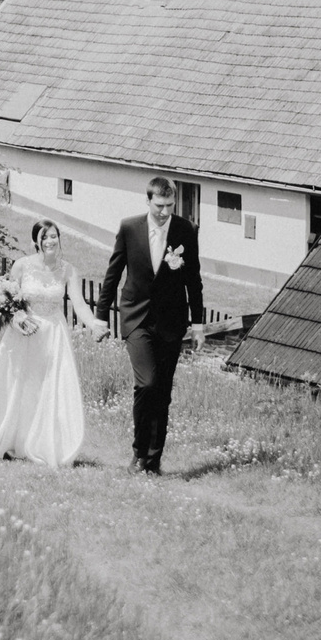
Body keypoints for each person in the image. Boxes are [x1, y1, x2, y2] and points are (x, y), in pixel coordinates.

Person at [0, 219, 98, 467]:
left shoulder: (68, 270)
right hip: (23, 333)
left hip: (53, 334)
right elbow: (6, 299)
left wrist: (94, 324)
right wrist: (16, 317)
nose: (50, 241)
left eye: (53, 236)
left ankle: (42, 443)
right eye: (44, 237)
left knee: (47, 388)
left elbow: (79, 303)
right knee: (15, 384)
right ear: (35, 242)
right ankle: (5, 439)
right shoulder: (22, 266)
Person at [102, 176, 206, 475]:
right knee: (146, 384)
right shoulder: (129, 228)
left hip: (171, 322)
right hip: (136, 318)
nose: (164, 212)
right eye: (159, 205)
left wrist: (198, 325)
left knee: (162, 392)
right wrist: (100, 315)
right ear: (147, 201)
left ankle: (154, 459)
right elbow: (113, 273)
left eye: (169, 205)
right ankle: (138, 453)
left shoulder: (186, 230)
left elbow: (193, 280)